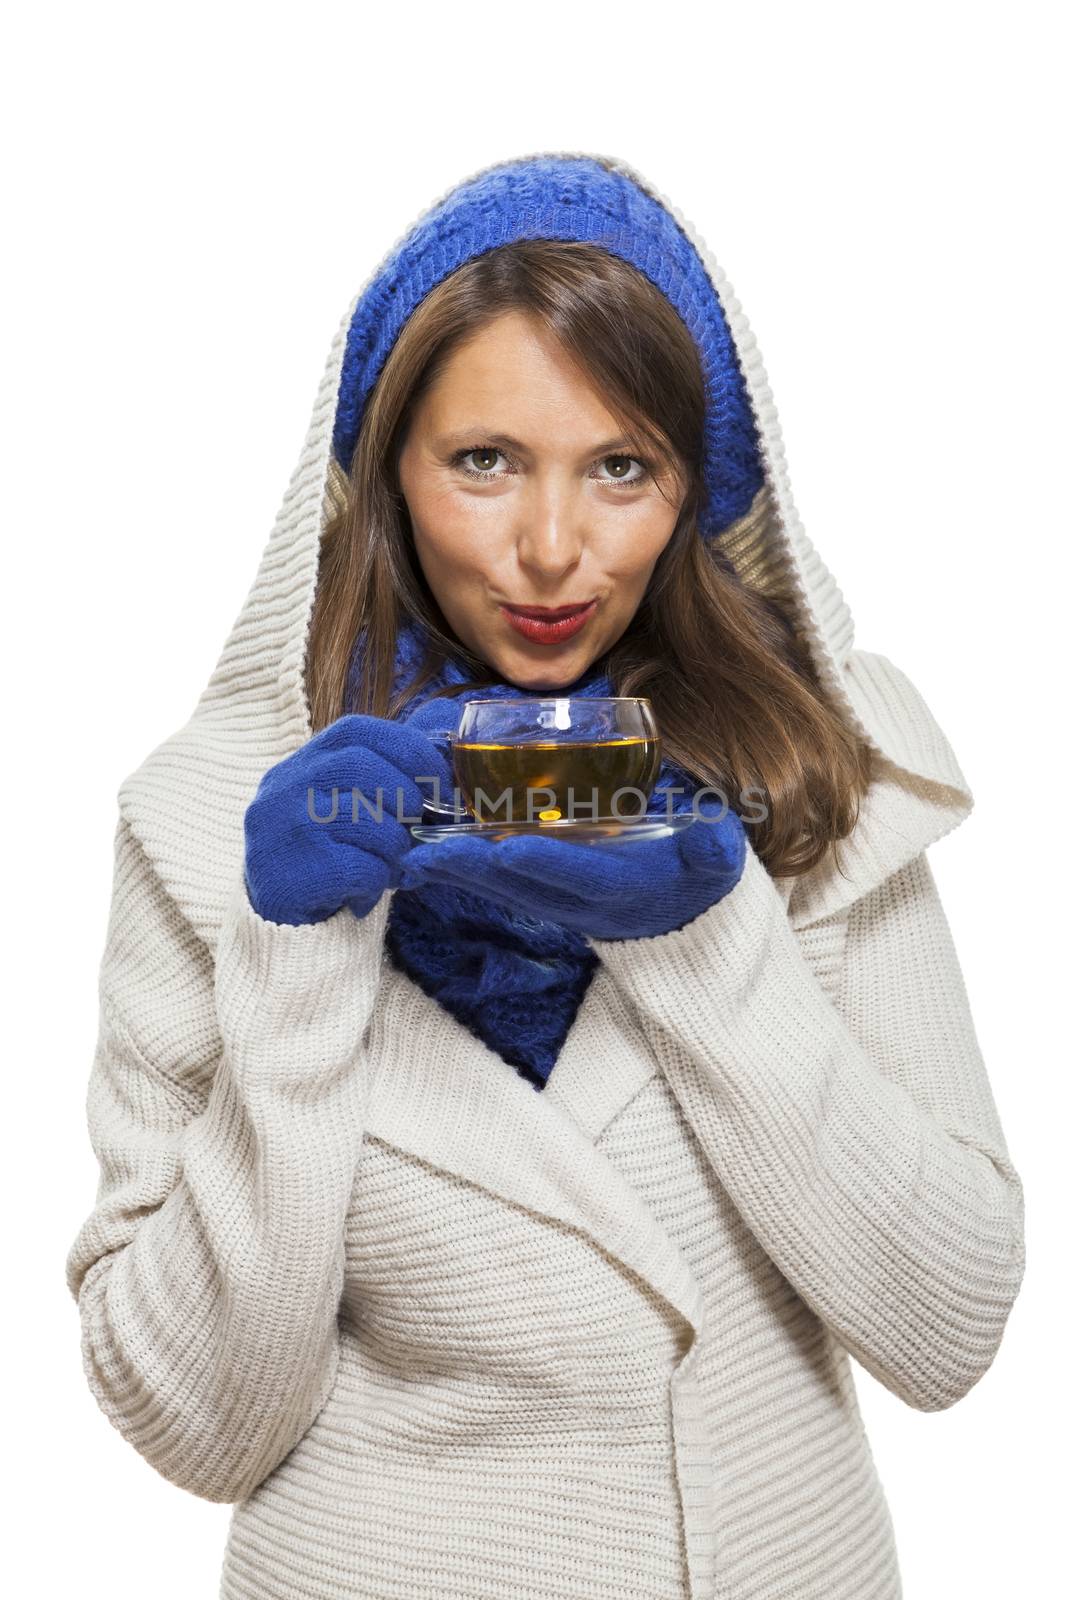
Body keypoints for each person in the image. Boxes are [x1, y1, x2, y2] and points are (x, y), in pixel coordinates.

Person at [64, 151, 1026, 1600]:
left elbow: (947, 1331)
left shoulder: (822, 771)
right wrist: (302, 956)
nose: (553, 550)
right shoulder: (210, 825)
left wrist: (714, 943)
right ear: (389, 465)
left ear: (697, 485)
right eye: (484, 461)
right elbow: (196, 1426)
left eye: (621, 467)